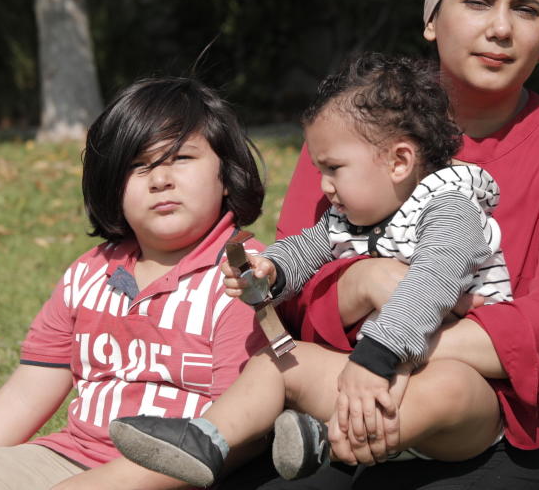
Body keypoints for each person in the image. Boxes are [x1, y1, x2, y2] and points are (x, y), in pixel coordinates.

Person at [224, 0, 539, 489]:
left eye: (526, 10)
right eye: (478, 1)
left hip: (517, 432)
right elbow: (292, 295)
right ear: (432, 18)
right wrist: (362, 282)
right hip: (342, 393)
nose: (500, 28)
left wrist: (395, 352)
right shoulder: (350, 135)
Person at [109, 53, 513, 487]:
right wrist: (272, 272)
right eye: (321, 169)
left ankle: (325, 439)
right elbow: (307, 248)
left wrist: (375, 359)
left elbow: (429, 283)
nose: (324, 185)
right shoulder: (354, 215)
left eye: (334, 168)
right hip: (370, 378)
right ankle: (206, 440)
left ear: (399, 161)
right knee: (278, 361)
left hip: (460, 406)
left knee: (449, 386)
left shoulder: (451, 210)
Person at [0, 77, 267, 490]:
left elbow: (239, 433)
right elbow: (27, 392)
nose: (160, 179)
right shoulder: (89, 274)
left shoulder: (244, 275)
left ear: (226, 172)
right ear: (111, 182)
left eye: (180, 157)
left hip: (181, 476)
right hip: (69, 458)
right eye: (138, 165)